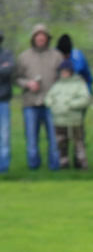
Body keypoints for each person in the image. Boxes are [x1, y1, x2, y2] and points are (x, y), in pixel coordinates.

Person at [15, 23, 63, 170]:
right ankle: (33, 167)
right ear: (33, 38)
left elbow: (64, 77)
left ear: (47, 38)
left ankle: (54, 167)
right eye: (38, 36)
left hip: (51, 104)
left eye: (43, 36)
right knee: (31, 139)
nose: (41, 39)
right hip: (30, 104)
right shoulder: (24, 56)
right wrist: (27, 84)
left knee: (54, 139)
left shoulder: (57, 56)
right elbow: (16, 78)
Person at [44, 59, 92, 169]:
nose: (64, 73)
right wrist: (54, 106)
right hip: (59, 120)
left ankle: (81, 164)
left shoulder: (79, 84)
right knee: (61, 144)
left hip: (74, 120)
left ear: (71, 71)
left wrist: (69, 105)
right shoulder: (57, 85)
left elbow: (85, 99)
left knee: (78, 143)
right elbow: (48, 98)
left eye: (66, 71)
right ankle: (63, 164)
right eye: (62, 71)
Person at [0, 30, 13, 172]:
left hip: (3, 100)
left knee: (4, 135)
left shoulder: (7, 54)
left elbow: (8, 71)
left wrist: (4, 69)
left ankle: (3, 167)